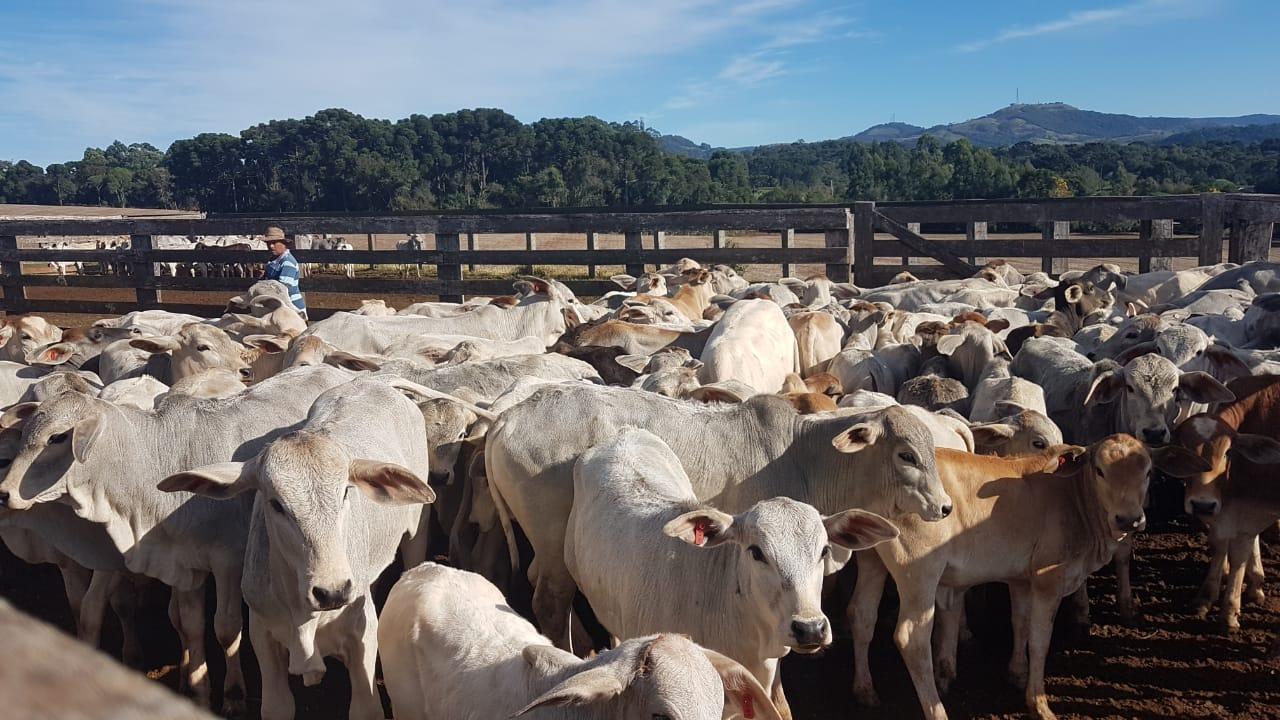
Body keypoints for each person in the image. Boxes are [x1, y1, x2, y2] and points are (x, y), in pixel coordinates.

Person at [261, 226, 307, 318]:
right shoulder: (274, 260)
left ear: (283, 243)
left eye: (274, 243)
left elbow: (283, 288)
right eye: (268, 243)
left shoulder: (287, 262)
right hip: (279, 306)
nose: (271, 246)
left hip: (292, 308)